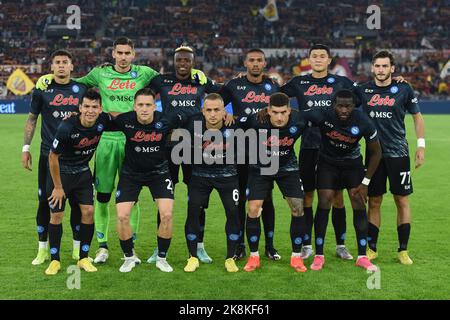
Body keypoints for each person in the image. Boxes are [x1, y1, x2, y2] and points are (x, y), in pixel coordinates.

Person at [36, 38, 207, 264]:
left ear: (133, 54)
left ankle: (131, 246)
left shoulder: (145, 73)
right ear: (113, 54)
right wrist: (52, 80)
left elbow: (172, 79)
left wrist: (198, 76)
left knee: (131, 198)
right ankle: (102, 246)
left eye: (128, 53)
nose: (124, 57)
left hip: (133, 140)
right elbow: (75, 83)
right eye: (120, 53)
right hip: (106, 139)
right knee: (103, 196)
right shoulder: (100, 73)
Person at [146, 45, 231, 264]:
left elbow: (227, 93)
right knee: (165, 199)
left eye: (187, 60)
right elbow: (138, 93)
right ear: (173, 61)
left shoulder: (201, 82)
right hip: (168, 146)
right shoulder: (160, 81)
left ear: (193, 62)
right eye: (179, 60)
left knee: (198, 200)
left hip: (196, 148)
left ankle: (199, 247)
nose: (183, 64)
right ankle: (159, 247)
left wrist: (230, 116)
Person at [280, 44, 357, 260]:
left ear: (329, 59)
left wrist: (395, 81)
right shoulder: (299, 82)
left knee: (337, 197)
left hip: (335, 149)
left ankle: (341, 245)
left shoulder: (341, 82)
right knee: (307, 196)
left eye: (323, 56)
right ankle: (306, 245)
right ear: (309, 59)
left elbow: (364, 93)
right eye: (314, 56)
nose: (318, 59)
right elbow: (274, 94)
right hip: (308, 147)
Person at [111, 88, 195, 273]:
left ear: (154, 106)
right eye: (140, 105)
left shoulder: (166, 119)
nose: (144, 109)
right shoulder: (125, 120)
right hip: (131, 174)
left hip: (159, 173)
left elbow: (191, 116)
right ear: (134, 107)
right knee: (122, 216)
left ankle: (162, 258)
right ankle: (129, 257)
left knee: (166, 215)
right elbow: (100, 120)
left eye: (148, 105)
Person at [356, 50, 425, 265]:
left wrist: (420, 146)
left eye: (385, 66)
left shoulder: (403, 89)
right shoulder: (362, 90)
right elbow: (340, 97)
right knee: (374, 200)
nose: (381, 70)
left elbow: (417, 116)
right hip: (374, 155)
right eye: (377, 66)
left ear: (392, 68)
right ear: (372, 68)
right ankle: (372, 248)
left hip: (399, 154)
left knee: (401, 199)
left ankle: (403, 250)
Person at [303, 89, 381, 271]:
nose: (344, 110)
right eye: (340, 106)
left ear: (354, 106)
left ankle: (362, 256)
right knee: (324, 200)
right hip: (327, 164)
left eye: (348, 106)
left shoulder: (363, 121)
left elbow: (376, 153)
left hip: (352, 165)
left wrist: (365, 183)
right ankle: (319, 255)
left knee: (358, 202)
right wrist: (266, 111)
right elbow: (296, 115)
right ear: (333, 105)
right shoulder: (322, 115)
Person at [22, 49, 86, 265]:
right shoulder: (42, 89)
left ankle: (78, 250)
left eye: (65, 62)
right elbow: (32, 119)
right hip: (48, 155)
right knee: (44, 202)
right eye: (57, 62)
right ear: (51, 67)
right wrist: (25, 148)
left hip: (77, 156)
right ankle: (43, 249)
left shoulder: (82, 89)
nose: (61, 65)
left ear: (71, 66)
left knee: (78, 204)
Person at [220, 48, 281, 261]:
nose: (255, 64)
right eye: (252, 60)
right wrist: (225, 112)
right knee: (239, 199)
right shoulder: (234, 85)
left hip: (266, 149)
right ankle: (239, 245)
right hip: (239, 150)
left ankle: (270, 246)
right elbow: (213, 101)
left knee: (266, 198)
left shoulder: (273, 86)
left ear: (265, 63)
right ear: (245, 63)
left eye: (259, 60)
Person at [44, 89, 111, 275]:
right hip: (61, 175)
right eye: (87, 106)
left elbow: (121, 119)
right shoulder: (67, 127)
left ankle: (83, 258)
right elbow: (52, 157)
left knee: (88, 212)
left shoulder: (103, 121)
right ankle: (55, 260)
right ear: (80, 108)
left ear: (100, 109)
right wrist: (58, 187)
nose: (90, 110)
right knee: (56, 216)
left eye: (94, 107)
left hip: (82, 173)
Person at [241, 92, 308, 273]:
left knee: (298, 208)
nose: (279, 117)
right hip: (260, 167)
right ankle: (253, 256)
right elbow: (232, 122)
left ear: (290, 111)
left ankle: (296, 258)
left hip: (288, 168)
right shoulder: (255, 120)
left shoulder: (300, 119)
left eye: (283, 112)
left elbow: (324, 118)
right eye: (275, 112)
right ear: (268, 111)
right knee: (253, 208)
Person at [182, 93, 240, 273]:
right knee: (193, 212)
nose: (213, 114)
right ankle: (192, 257)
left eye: (217, 110)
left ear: (224, 111)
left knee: (233, 212)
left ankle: (230, 258)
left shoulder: (235, 126)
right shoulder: (192, 125)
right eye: (209, 110)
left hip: (228, 176)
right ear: (202, 111)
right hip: (200, 176)